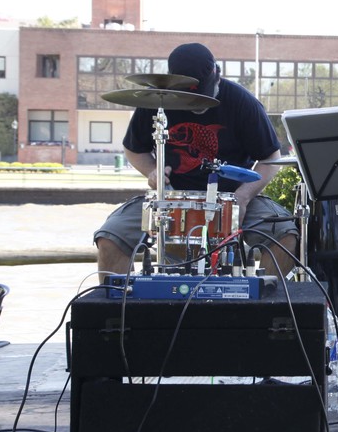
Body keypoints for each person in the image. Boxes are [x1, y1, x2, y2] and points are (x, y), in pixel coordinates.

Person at [94, 43, 299, 276]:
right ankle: (124, 300)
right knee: (111, 238)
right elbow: (134, 149)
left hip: (231, 196)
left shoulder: (242, 102)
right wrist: (153, 171)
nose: (197, 106)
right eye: (190, 99)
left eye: (203, 97)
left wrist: (243, 197)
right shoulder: (156, 100)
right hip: (171, 196)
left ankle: (264, 299)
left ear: (217, 76)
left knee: (285, 236)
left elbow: (271, 157)